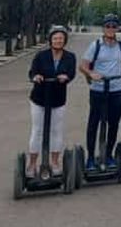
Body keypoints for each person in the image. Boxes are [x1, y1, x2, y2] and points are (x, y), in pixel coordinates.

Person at [79, 13, 121, 169]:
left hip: (116, 89)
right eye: (108, 26)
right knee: (94, 122)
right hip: (98, 89)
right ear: (103, 28)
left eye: (113, 26)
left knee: (114, 123)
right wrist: (91, 73)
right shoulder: (95, 45)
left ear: (117, 28)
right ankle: (91, 157)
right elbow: (83, 65)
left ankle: (109, 154)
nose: (110, 29)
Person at [27, 25, 77, 177]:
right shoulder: (41, 55)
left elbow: (71, 73)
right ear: (50, 40)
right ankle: (32, 164)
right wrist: (36, 77)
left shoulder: (70, 57)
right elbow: (32, 72)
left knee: (56, 131)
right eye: (55, 38)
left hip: (57, 99)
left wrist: (66, 77)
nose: (58, 41)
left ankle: (54, 163)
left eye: (61, 38)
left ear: (64, 40)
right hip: (39, 98)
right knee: (37, 130)